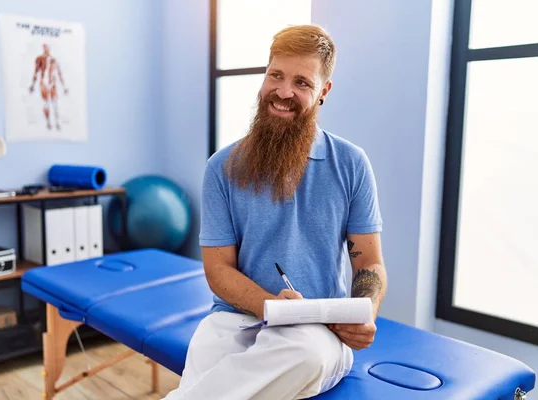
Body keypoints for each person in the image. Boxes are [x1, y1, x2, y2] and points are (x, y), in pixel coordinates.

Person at [163, 24, 387, 400]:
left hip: (315, 331)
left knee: (306, 356)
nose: (284, 92)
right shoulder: (222, 167)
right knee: (207, 368)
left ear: (323, 93)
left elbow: (369, 262)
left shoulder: (351, 164)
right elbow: (218, 270)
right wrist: (268, 305)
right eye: (276, 75)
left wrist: (366, 312)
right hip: (232, 319)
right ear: (263, 76)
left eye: (302, 82)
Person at [29, 43, 68, 130]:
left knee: (55, 103)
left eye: (47, 48)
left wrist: (64, 87)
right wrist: (32, 85)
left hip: (52, 83)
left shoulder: (54, 60)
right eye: (45, 48)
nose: (46, 49)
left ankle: (57, 122)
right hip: (44, 83)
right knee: (46, 103)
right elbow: (36, 72)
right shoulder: (40, 59)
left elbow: (59, 73)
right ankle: (48, 123)